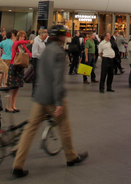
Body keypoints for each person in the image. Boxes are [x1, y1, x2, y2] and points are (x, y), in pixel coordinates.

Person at [11, 25, 88, 177]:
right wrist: (59, 102)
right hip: (53, 98)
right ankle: (71, 156)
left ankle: (17, 165)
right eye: (64, 34)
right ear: (60, 36)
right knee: (64, 127)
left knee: (30, 130)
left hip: (40, 96)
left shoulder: (46, 50)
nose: (66, 37)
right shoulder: (59, 52)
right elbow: (58, 80)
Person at [6, 31, 30, 112]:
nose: (22, 38)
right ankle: (8, 106)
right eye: (21, 36)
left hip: (20, 67)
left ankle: (13, 105)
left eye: (24, 37)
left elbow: (29, 54)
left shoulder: (23, 46)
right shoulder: (15, 43)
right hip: (14, 66)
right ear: (18, 37)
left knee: (17, 88)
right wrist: (29, 41)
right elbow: (19, 42)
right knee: (12, 88)